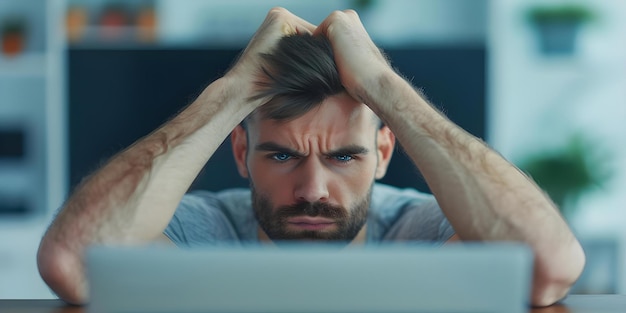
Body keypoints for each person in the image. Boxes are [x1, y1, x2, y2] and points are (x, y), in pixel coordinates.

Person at [37, 8, 585, 307]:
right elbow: (72, 265)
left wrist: (381, 84)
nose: (313, 190)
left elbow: (551, 267)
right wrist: (230, 93)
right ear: (241, 151)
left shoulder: (420, 227)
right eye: (281, 155)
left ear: (384, 151)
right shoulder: (201, 228)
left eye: (346, 157)